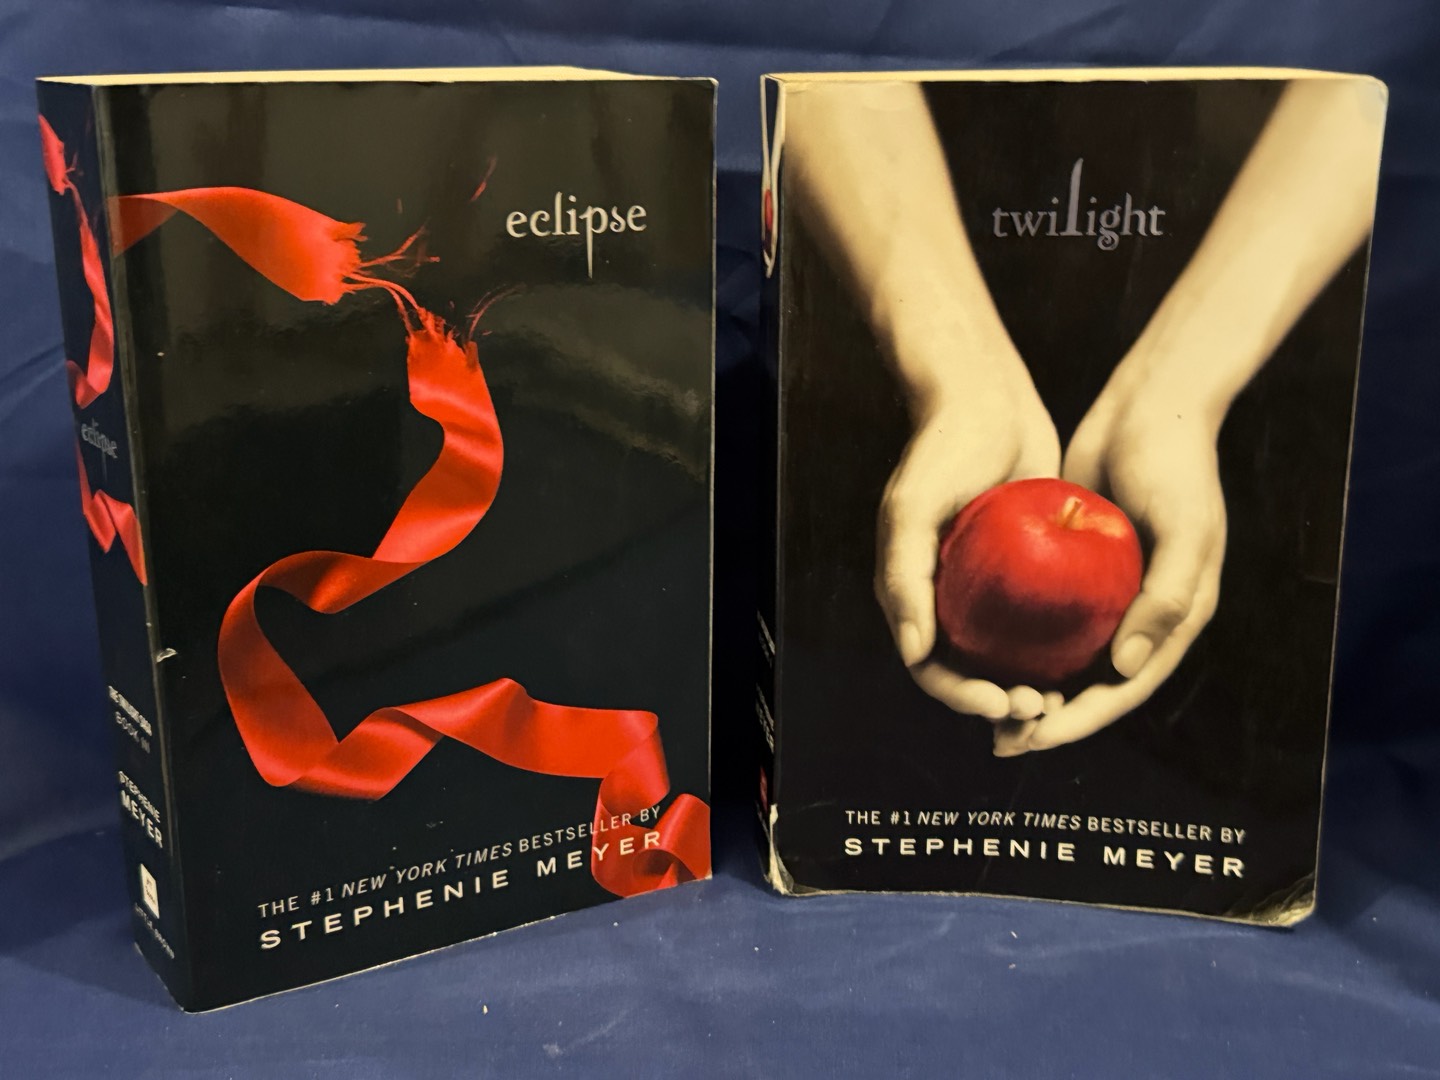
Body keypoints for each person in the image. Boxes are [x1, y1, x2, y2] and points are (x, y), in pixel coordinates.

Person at [782, 75, 1386, 756]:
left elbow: (1367, 87)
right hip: (878, 283)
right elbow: (823, 63)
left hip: (1252, 323)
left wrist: (1178, 394)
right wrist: (954, 371)